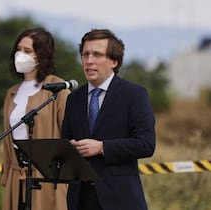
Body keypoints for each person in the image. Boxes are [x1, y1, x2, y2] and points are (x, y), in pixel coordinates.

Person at [61, 29, 156, 210]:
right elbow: (66, 140)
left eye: (97, 55)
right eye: (85, 54)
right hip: (80, 200)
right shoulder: (74, 99)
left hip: (120, 200)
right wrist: (69, 148)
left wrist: (102, 147)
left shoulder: (134, 95)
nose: (89, 61)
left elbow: (146, 144)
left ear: (114, 61)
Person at [0, 27, 69, 210]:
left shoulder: (59, 89)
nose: (20, 55)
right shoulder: (12, 93)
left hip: (48, 179)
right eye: (19, 49)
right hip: (17, 178)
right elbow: (8, 142)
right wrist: (6, 176)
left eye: (27, 51)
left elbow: (69, 138)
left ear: (42, 55)